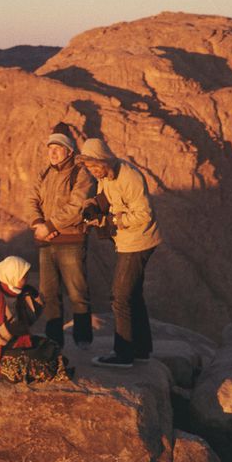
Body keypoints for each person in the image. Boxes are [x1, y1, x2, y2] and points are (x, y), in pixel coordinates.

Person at [76, 138, 162, 368]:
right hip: (128, 241)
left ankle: (123, 354)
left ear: (105, 160)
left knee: (120, 297)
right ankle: (142, 349)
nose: (93, 173)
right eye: (89, 168)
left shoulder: (130, 177)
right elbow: (107, 198)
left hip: (138, 242)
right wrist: (93, 205)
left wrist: (113, 221)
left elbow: (144, 214)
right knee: (133, 295)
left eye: (95, 167)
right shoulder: (106, 175)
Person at [27, 122, 96, 348]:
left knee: (78, 293)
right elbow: (31, 200)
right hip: (46, 243)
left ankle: (83, 340)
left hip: (71, 242)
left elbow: (78, 206)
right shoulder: (45, 173)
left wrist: (50, 225)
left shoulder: (81, 173)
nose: (52, 152)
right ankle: (54, 341)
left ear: (69, 151)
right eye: (50, 148)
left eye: (58, 148)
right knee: (49, 294)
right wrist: (38, 222)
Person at [0, 255, 72, 382]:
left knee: (50, 346)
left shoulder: (18, 294)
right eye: (23, 277)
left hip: (13, 344)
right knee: (27, 362)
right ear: (12, 276)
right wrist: (7, 330)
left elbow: (27, 322)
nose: (27, 279)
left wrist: (36, 300)